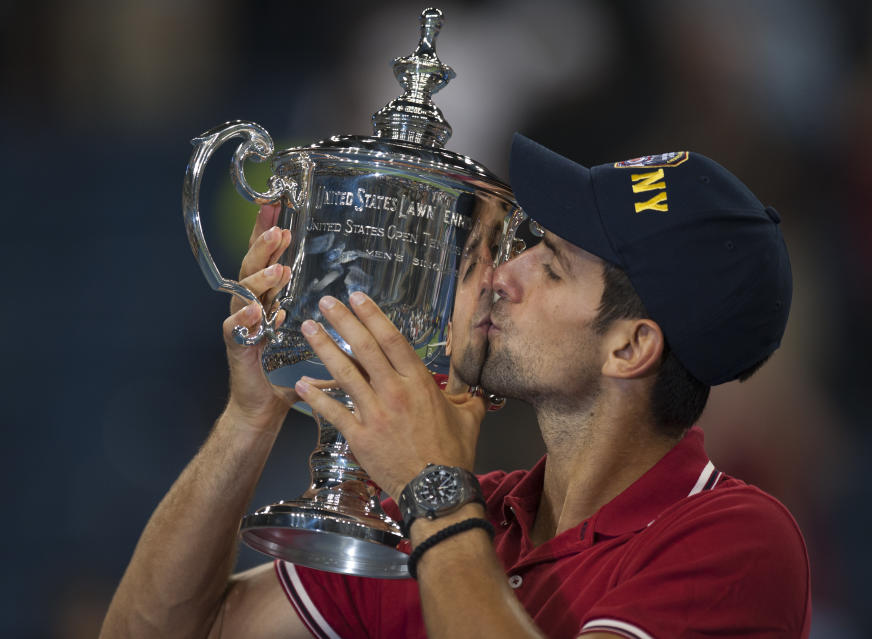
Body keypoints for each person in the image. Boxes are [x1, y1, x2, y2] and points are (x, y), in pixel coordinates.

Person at [100, 134, 810, 639]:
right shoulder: (472, 514)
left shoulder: (737, 541)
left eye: (552, 265)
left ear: (629, 346)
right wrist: (251, 412)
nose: (503, 274)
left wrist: (434, 492)